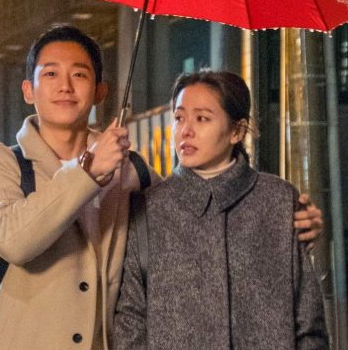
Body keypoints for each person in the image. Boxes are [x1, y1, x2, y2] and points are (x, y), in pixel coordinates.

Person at [0, 26, 324, 350]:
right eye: (50, 73)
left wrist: (287, 225)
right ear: (28, 90)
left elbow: (194, 215)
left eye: (79, 74)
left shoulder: (132, 170)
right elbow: (14, 241)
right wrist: (87, 172)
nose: (65, 86)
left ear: (100, 91)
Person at [113, 70, 328, 349]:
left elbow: (309, 322)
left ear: (237, 131)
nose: (186, 130)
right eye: (179, 118)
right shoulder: (149, 208)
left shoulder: (279, 201)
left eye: (202, 118)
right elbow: (130, 321)